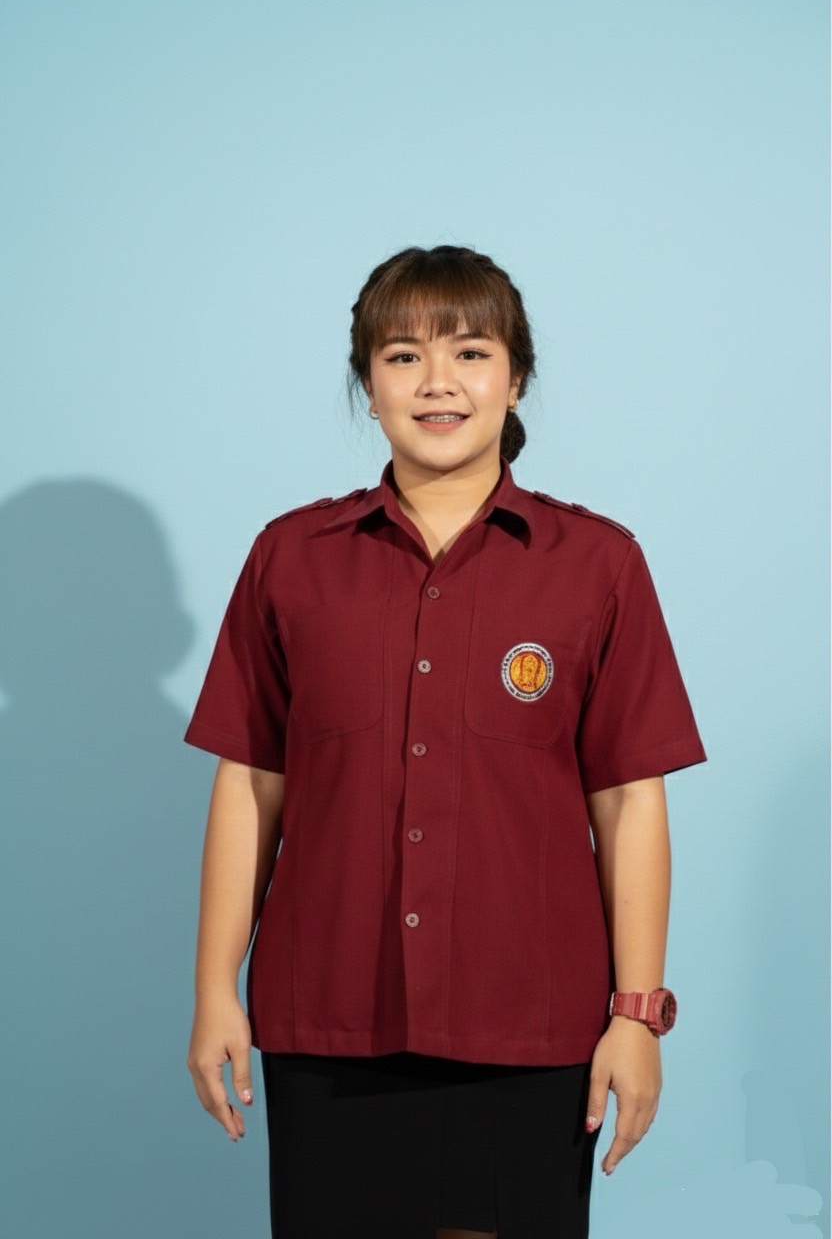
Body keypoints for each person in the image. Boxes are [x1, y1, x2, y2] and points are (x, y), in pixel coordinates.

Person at [184, 244, 707, 1239]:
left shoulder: (598, 565)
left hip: (530, 1022)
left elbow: (629, 800)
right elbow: (251, 782)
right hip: (329, 1015)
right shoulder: (290, 559)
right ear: (366, 385)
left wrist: (635, 1015)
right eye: (401, 356)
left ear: (516, 378)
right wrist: (215, 989)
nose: (437, 382)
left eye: (470, 352)